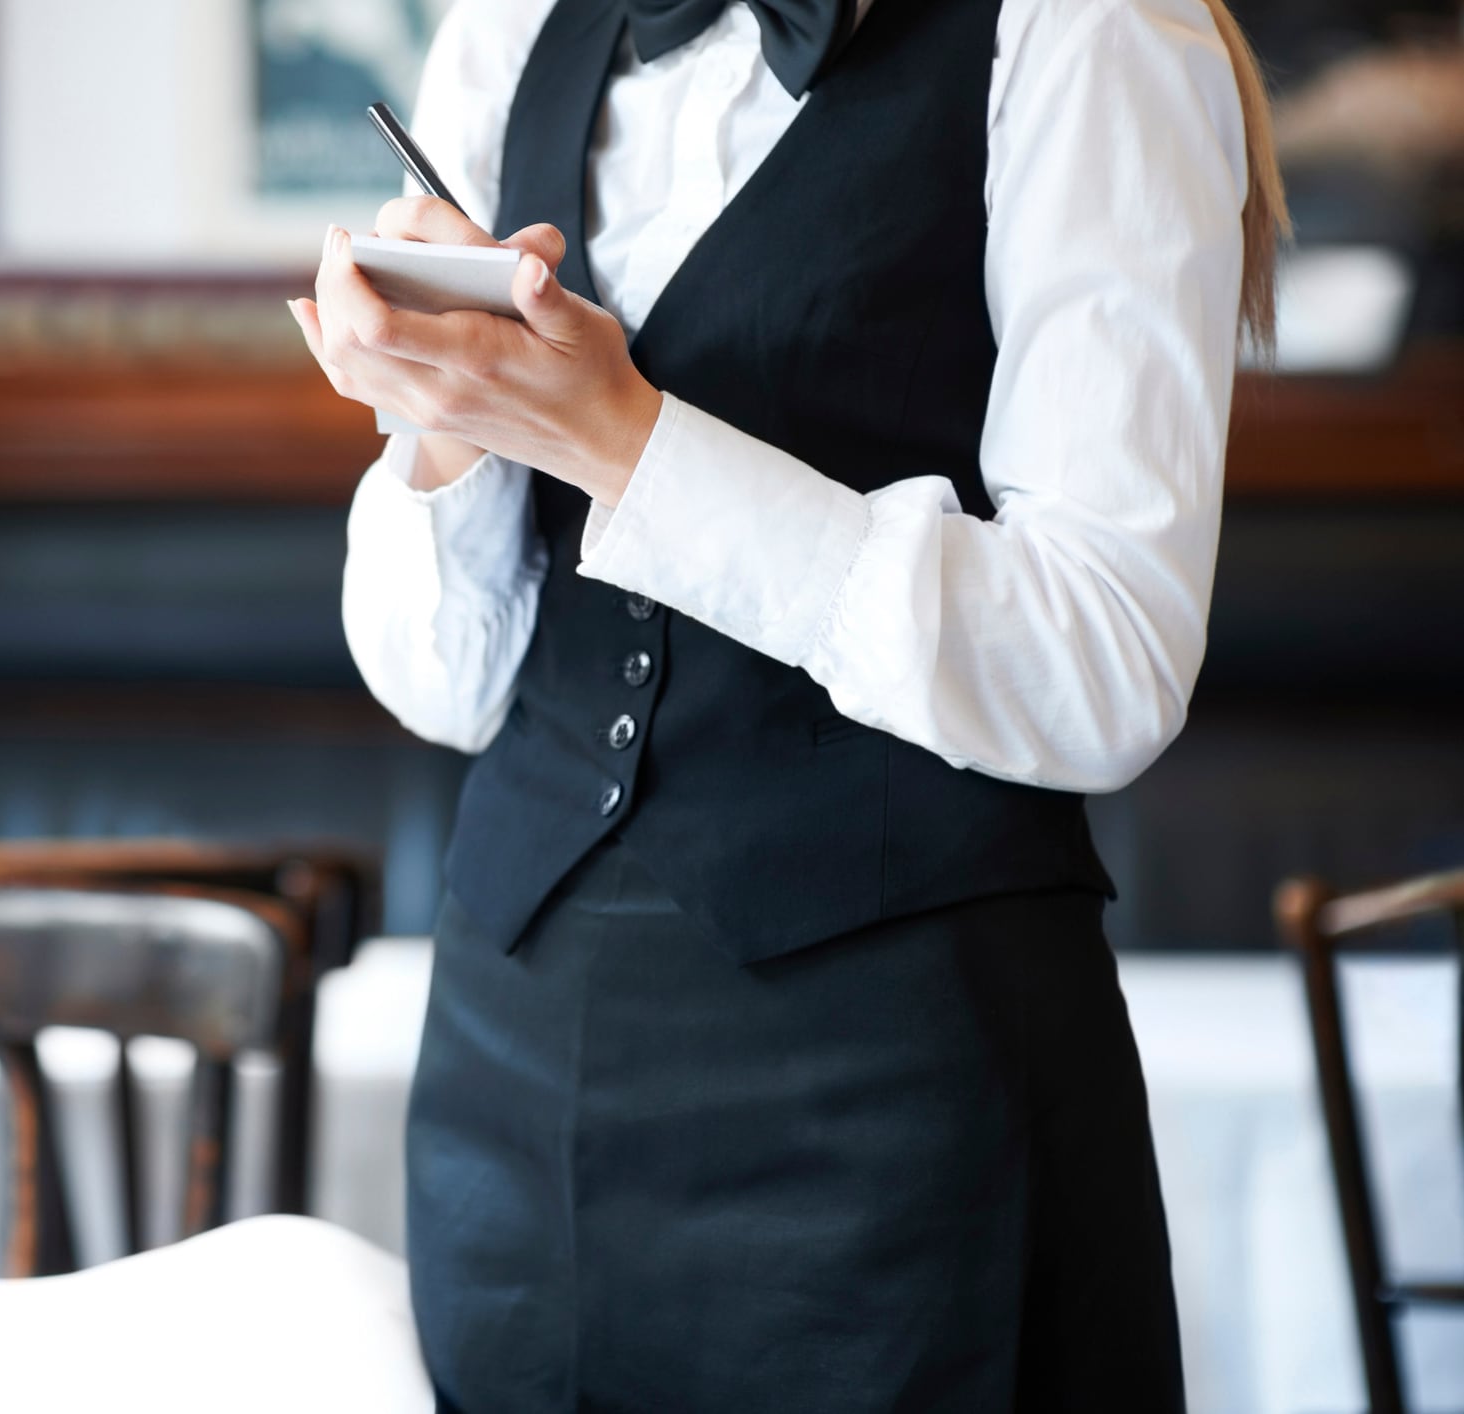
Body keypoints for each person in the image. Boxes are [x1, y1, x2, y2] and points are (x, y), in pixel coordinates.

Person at [289, 0, 1287, 1406]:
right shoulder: (508, 30)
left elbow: (1107, 661)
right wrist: (449, 413)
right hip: (514, 1082)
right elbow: (438, 682)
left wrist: (627, 442)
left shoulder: (1090, 30)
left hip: (903, 1105)